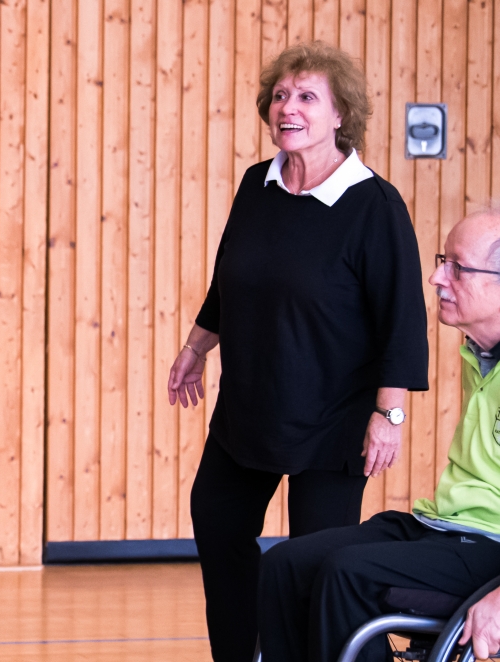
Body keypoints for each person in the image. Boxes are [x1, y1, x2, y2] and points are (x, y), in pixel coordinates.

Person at [164, 41, 429, 662]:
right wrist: (196, 347)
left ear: (341, 115)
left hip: (334, 420)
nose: (289, 107)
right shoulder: (258, 184)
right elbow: (232, 276)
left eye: (307, 97)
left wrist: (388, 415)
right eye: (281, 95)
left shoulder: (374, 205)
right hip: (250, 407)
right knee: (217, 520)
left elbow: (402, 319)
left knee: (322, 566)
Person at [256, 210, 500, 662]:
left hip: (491, 545)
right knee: (282, 565)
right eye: (442, 260)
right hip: (442, 526)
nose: (436, 277)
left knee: (345, 573)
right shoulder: (480, 354)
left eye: (457, 268)